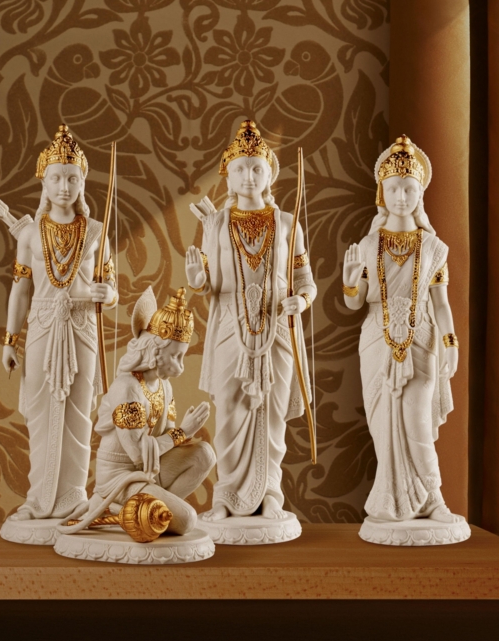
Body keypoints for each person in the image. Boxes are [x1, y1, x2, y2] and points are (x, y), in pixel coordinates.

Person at [184, 119, 315, 534]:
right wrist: (198, 279)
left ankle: (270, 493)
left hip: (276, 330)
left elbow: (306, 280)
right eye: (240, 168)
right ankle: (225, 496)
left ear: (270, 173)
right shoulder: (216, 224)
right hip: (231, 328)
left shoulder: (287, 224)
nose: (248, 176)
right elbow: (212, 282)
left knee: (271, 416)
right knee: (230, 411)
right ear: (228, 174)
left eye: (257, 168)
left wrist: (301, 300)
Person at [0, 124, 116, 531]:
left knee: (78, 414)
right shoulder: (31, 233)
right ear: (44, 183)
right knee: (41, 413)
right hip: (43, 326)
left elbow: (111, 288)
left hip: (82, 328)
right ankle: (39, 498)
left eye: (71, 178)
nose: (64, 187)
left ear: (82, 182)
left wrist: (107, 295)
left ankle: (72, 497)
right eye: (56, 178)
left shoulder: (96, 231)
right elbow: (20, 289)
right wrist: (11, 340)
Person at [342, 135, 463, 530]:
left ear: (420, 193)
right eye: (393, 188)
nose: (400, 197)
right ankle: (393, 502)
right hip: (377, 341)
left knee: (418, 424)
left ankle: (434, 500)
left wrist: (450, 342)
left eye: (409, 189)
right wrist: (349, 282)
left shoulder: (434, 248)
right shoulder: (368, 245)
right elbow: (355, 303)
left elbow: (441, 303)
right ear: (382, 191)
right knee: (384, 429)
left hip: (421, 339)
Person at [62, 288, 215, 539]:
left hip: (149, 470)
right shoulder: (127, 388)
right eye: (176, 356)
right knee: (187, 519)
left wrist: (183, 434)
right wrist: (182, 432)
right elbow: (137, 453)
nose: (180, 365)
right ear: (155, 352)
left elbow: (166, 442)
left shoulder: (164, 386)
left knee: (205, 454)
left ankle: (148, 510)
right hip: (121, 478)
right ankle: (117, 507)